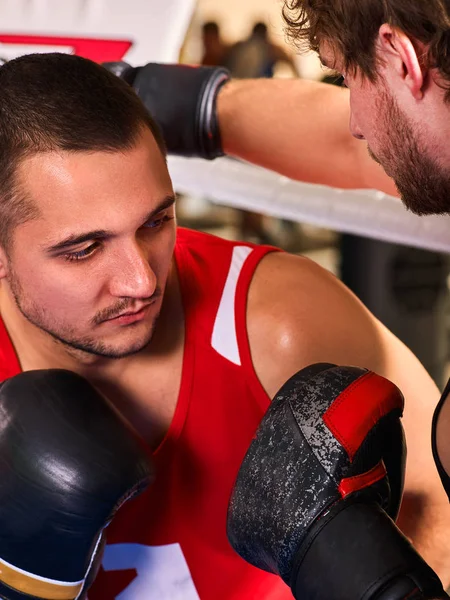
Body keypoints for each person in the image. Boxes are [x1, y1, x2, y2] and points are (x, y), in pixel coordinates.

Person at [0, 52, 448, 600]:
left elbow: (437, 497)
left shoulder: (275, 323)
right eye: (85, 249)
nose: (140, 280)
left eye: (156, 221)